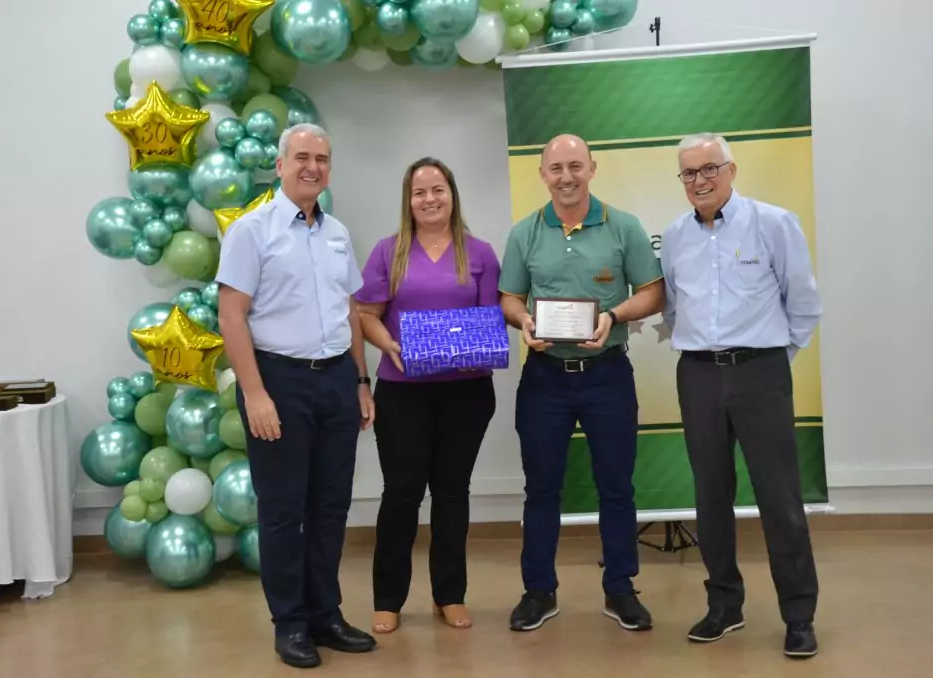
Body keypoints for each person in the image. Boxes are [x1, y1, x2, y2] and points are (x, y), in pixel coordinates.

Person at [216, 122, 377, 670]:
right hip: (278, 382)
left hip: (335, 379)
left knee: (330, 507)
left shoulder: (338, 233)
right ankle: (290, 623)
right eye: (302, 157)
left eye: (323, 159)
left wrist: (360, 381)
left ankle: (325, 614)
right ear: (280, 165)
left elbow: (349, 312)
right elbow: (231, 317)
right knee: (284, 512)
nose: (313, 167)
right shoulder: (251, 231)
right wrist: (255, 393)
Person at [660, 132, 822, 658]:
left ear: (731, 169)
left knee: (780, 498)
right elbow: (672, 310)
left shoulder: (774, 223)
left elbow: (803, 305)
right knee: (710, 497)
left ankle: (798, 615)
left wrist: (771, 362)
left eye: (710, 168)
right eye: (689, 173)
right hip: (698, 376)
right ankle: (724, 605)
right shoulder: (675, 236)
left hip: (761, 373)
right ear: (681, 180)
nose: (700, 180)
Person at [498, 134, 665, 632]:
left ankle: (620, 588)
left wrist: (613, 315)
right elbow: (509, 297)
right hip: (544, 379)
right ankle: (538, 591)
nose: (566, 177)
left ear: (592, 168)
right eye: (556, 168)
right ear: (543, 175)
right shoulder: (525, 232)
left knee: (616, 488)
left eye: (575, 166)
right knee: (541, 489)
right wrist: (523, 322)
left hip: (607, 376)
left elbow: (653, 293)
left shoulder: (625, 227)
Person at [354, 157, 500, 634]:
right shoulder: (387, 252)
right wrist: (389, 345)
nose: (430, 199)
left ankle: (449, 595)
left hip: (467, 394)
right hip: (403, 394)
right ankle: (388, 599)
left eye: (438, 189)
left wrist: (475, 348)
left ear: (452, 194)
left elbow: (488, 323)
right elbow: (366, 315)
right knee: (401, 495)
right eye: (420, 192)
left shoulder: (478, 253)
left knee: (453, 494)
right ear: (408, 200)